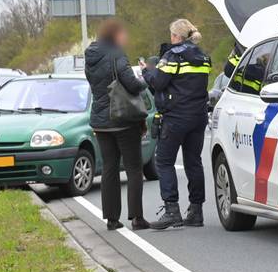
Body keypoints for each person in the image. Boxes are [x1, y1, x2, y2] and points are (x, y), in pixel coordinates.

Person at [141, 19, 212, 230]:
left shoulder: (172, 56)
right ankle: (196, 211)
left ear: (175, 36)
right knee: (193, 162)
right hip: (198, 117)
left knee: (164, 161)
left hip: (176, 117)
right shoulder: (202, 56)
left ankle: (172, 210)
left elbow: (158, 83)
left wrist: (146, 71)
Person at [85, 19, 150, 231]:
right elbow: (131, 85)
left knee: (110, 168)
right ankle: (137, 218)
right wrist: (145, 79)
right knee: (133, 168)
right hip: (122, 120)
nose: (125, 37)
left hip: (101, 122)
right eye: (122, 34)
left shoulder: (90, 56)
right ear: (114, 35)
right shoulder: (116, 54)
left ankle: (112, 219)